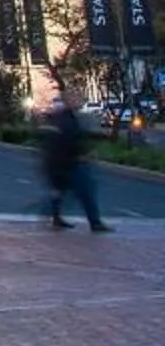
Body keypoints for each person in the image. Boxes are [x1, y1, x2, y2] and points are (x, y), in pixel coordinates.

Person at [40, 79, 109, 232]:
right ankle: (94, 222)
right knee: (86, 192)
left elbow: (72, 137)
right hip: (71, 163)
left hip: (64, 164)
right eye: (76, 97)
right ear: (68, 100)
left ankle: (56, 216)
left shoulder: (67, 117)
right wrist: (82, 156)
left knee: (64, 192)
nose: (80, 99)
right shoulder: (64, 119)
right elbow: (65, 142)